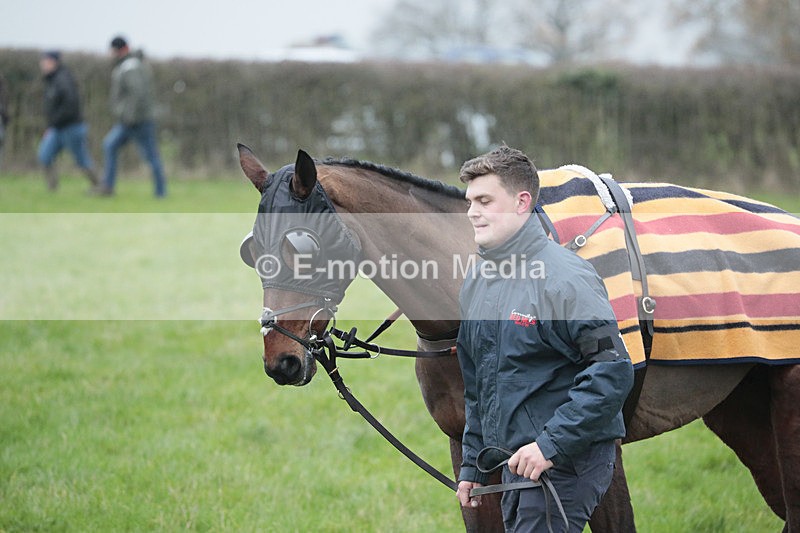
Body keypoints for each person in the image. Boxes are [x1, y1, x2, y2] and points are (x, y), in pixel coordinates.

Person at [454, 146, 634, 532]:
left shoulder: (565, 279)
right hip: (515, 461)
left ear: (522, 203)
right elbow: (478, 386)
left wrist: (549, 446)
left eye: (485, 200)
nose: (473, 212)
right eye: (470, 201)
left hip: (567, 460)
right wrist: (472, 465)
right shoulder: (476, 280)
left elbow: (612, 372)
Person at [99, 36, 166, 197]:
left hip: (137, 121)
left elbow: (137, 94)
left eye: (112, 51)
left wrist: (129, 117)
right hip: (128, 120)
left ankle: (160, 192)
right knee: (109, 145)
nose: (110, 54)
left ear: (121, 50)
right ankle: (107, 187)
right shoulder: (130, 64)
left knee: (150, 156)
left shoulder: (131, 66)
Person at [37, 51, 100, 192]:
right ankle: (52, 188)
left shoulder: (63, 80)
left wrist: (56, 121)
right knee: (45, 155)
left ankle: (98, 185)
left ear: (54, 62)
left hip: (72, 127)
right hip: (56, 128)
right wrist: (52, 125)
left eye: (46, 61)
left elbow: (70, 105)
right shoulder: (51, 80)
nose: (43, 65)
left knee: (81, 159)